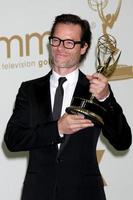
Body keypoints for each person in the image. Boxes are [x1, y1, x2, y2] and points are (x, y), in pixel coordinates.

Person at [4, 14, 132, 200]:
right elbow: (13, 140)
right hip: (38, 193)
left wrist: (105, 98)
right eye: (56, 40)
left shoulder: (94, 89)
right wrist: (57, 128)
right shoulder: (29, 90)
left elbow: (122, 141)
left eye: (69, 42)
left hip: (85, 193)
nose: (60, 48)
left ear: (83, 47)